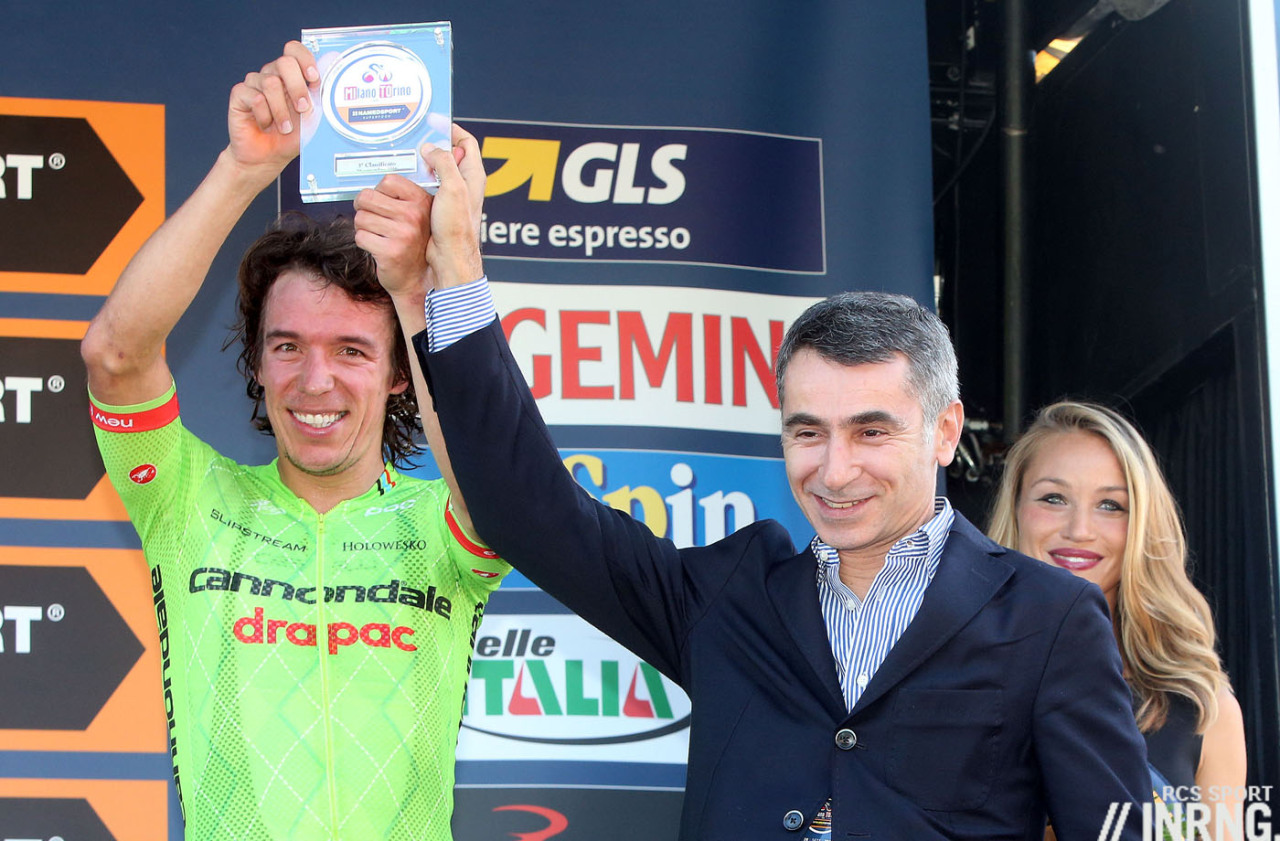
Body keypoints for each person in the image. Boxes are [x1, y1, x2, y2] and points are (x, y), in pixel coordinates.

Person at [392, 128, 1151, 838]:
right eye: (807, 432)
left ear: (945, 431)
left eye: (871, 431)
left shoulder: (1049, 619)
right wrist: (456, 272)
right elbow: (527, 509)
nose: (835, 469)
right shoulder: (731, 596)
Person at [80, 43, 506, 839]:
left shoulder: (446, 521)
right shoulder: (188, 499)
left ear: (399, 373)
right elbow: (115, 355)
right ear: (256, 361)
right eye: (287, 346)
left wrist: (429, 283)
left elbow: (496, 476)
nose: (315, 380)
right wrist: (244, 169)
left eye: (351, 350)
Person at [988, 401, 1247, 830]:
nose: (1079, 529)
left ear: (1142, 525)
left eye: (1111, 505)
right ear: (1015, 508)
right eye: (1053, 498)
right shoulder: (951, 673)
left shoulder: (1204, 708)